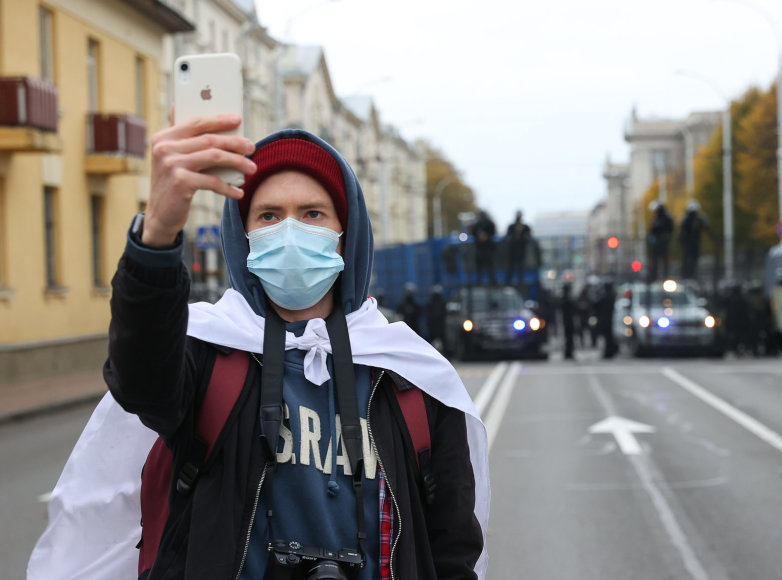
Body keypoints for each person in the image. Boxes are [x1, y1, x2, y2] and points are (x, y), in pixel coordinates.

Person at [29, 119, 489, 580]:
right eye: (268, 216)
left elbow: (452, 549)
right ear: (243, 236)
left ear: (346, 236)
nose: (290, 232)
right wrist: (159, 233)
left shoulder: (410, 376)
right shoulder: (206, 354)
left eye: (312, 214)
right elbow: (140, 374)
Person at [678, 200, 710, 280]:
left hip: (694, 242)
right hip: (688, 242)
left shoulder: (698, 219)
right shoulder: (687, 219)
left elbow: (705, 227)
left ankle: (691, 275)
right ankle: (686, 275)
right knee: (687, 259)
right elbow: (683, 230)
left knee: (693, 259)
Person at [646, 202, 674, 282]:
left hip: (662, 243)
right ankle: (654, 277)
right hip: (656, 243)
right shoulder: (656, 218)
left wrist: (666, 234)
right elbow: (653, 230)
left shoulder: (665, 218)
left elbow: (669, 228)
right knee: (655, 260)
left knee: (663, 260)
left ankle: (665, 276)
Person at [504, 210, 532, 285]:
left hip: (520, 251)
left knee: (520, 269)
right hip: (513, 250)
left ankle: (520, 282)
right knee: (511, 268)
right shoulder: (512, 226)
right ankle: (508, 282)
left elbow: (528, 238)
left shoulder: (525, 227)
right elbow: (506, 237)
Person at [470, 209, 496, 285]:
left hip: (481, 249)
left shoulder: (477, 224)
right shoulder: (489, 223)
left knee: (481, 269)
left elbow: (473, 234)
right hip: (485, 249)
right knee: (488, 268)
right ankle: (492, 283)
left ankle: (480, 283)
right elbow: (493, 232)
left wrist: (482, 236)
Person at [559, 282, 575, 360]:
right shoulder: (566, 299)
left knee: (569, 338)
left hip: (568, 321)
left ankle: (569, 352)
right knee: (569, 338)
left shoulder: (565, 299)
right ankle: (568, 352)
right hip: (568, 321)